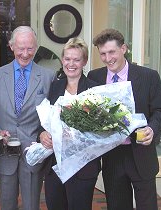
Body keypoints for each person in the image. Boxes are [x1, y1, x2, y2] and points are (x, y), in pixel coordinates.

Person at [87, 28, 161, 210]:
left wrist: (152, 129)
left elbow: (160, 111)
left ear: (123, 48)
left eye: (112, 52)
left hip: (142, 154)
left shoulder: (149, 76)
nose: (108, 59)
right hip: (112, 156)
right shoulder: (95, 77)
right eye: (103, 54)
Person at [0, 26, 55, 210]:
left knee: (32, 205)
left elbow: (53, 116)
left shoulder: (49, 77)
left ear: (36, 47)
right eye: (21, 48)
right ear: (11, 47)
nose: (25, 54)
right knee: (7, 205)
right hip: (4, 153)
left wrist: (44, 134)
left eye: (30, 48)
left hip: (32, 153)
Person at [38, 37, 101, 210]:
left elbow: (100, 130)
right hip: (55, 166)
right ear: (62, 60)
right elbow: (44, 122)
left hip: (82, 167)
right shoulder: (55, 87)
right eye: (67, 59)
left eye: (76, 59)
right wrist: (42, 134)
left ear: (84, 62)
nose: (71, 64)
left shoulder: (94, 90)